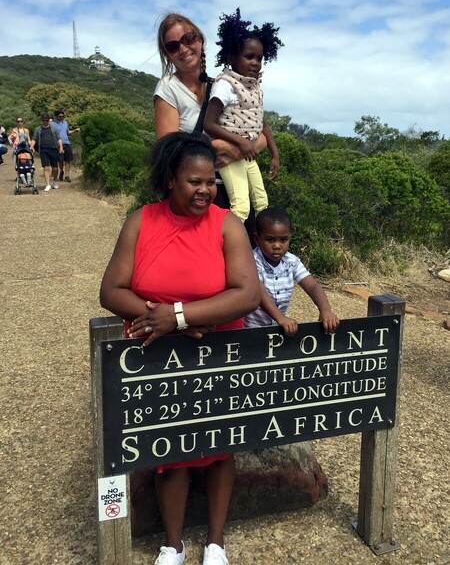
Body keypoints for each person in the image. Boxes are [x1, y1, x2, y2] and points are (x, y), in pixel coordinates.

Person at [100, 131, 260, 565]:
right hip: (158, 354)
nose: (205, 190)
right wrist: (162, 320)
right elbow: (111, 290)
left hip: (217, 351)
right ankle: (173, 545)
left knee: (221, 446)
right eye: (194, 182)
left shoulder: (227, 224)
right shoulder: (140, 221)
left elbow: (247, 293)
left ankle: (216, 542)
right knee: (167, 451)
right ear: (170, 179)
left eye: (211, 182)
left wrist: (180, 316)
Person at [153, 12, 268, 212]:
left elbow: (261, 137)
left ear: (200, 40)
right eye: (173, 46)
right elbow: (168, 153)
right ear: (167, 54)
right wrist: (221, 146)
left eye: (188, 39)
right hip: (194, 198)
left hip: (234, 189)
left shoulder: (221, 86)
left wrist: (233, 153)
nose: (183, 48)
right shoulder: (168, 89)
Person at [203, 8, 282, 223]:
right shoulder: (225, 85)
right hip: (232, 151)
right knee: (241, 208)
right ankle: (226, 241)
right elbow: (209, 124)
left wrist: (275, 154)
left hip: (248, 154)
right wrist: (240, 142)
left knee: (262, 202)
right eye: (249, 57)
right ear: (232, 57)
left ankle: (258, 243)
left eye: (259, 58)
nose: (255, 62)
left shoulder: (255, 88)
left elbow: (261, 122)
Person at [244, 207, 340, 335]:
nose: (277, 246)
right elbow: (259, 292)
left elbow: (312, 286)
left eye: (283, 240)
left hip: (278, 330)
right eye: (270, 240)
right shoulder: (251, 261)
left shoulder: (292, 261)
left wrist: (325, 310)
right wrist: (280, 318)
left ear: (289, 238)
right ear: (257, 239)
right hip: (251, 330)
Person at [29, 113, 64, 192]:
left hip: (53, 149)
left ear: (49, 120)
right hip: (43, 150)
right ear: (42, 121)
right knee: (46, 167)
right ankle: (47, 184)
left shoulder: (53, 128)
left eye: (46, 120)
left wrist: (61, 147)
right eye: (43, 120)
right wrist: (31, 146)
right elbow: (34, 139)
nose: (45, 122)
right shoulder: (38, 129)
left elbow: (59, 138)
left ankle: (55, 179)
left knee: (55, 168)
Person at [52, 109, 80, 182]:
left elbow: (68, 132)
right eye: (60, 116)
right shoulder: (53, 124)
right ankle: (61, 171)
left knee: (68, 160)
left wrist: (75, 130)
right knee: (61, 161)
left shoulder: (65, 123)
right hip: (58, 144)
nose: (61, 117)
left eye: (62, 116)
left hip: (67, 143)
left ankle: (67, 176)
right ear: (56, 116)